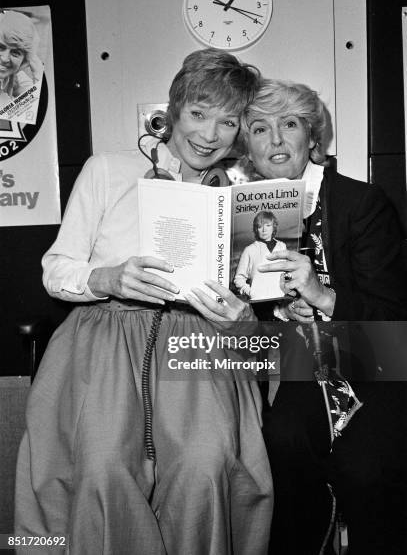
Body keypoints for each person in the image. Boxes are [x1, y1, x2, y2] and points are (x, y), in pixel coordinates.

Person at [15, 49, 273, 555]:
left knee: (204, 466)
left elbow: (258, 309)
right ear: (173, 108)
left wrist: (242, 315)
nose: (208, 135)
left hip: (199, 344)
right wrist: (109, 277)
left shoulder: (246, 195)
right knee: (102, 467)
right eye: (198, 114)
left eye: (227, 122)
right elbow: (56, 269)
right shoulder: (108, 169)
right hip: (106, 339)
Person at [241, 78, 407, 554]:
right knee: (282, 443)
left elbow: (394, 317)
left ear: (312, 138)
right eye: (259, 128)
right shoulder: (244, 213)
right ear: (247, 147)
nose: (275, 140)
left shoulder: (362, 204)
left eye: (288, 124)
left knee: (365, 467)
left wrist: (322, 295)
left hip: (376, 363)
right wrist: (275, 311)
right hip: (303, 365)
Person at [234, 211, 286, 300]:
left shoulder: (282, 246)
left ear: (274, 227)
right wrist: (251, 292)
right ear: (256, 229)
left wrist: (286, 289)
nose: (264, 230)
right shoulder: (250, 249)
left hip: (281, 299)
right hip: (258, 300)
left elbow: (287, 272)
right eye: (260, 226)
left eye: (268, 225)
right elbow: (239, 278)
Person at [0, 10, 42, 107]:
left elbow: (35, 103)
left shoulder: (15, 75)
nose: (5, 59)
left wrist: (38, 73)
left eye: (15, 53)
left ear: (24, 60)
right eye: (0, 47)